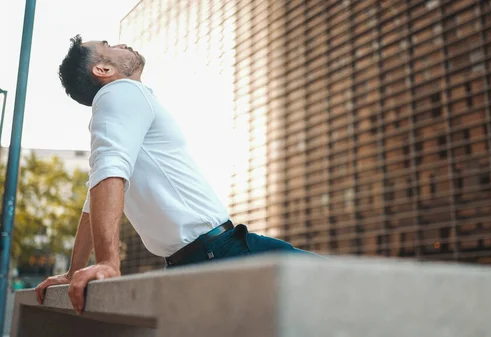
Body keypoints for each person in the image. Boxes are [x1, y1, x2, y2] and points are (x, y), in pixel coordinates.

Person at [34, 35, 316, 315]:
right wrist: (108, 262)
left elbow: (94, 196)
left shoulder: (119, 109)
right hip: (222, 253)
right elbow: (108, 174)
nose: (121, 44)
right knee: (345, 290)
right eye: (108, 46)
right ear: (103, 70)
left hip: (197, 261)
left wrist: (74, 271)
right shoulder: (121, 92)